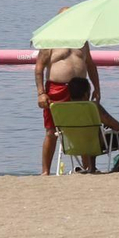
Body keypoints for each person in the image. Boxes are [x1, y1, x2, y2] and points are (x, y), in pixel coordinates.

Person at [35, 41, 98, 176]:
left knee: (83, 128)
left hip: (81, 89)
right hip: (56, 89)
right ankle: (45, 171)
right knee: (52, 132)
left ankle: (87, 167)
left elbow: (90, 64)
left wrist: (97, 88)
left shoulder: (82, 40)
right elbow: (39, 66)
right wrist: (41, 93)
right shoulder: (51, 39)